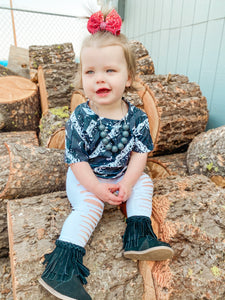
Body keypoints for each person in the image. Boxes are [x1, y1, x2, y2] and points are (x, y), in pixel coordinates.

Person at [39, 8, 174, 300]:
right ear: (82, 78)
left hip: (121, 175)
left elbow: (140, 154)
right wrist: (97, 189)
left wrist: (126, 184)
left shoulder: (137, 118)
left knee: (144, 182)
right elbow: (77, 161)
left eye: (110, 71)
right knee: (89, 207)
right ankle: (61, 269)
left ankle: (138, 235)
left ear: (128, 78)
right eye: (90, 72)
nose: (99, 79)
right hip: (87, 178)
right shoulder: (80, 117)